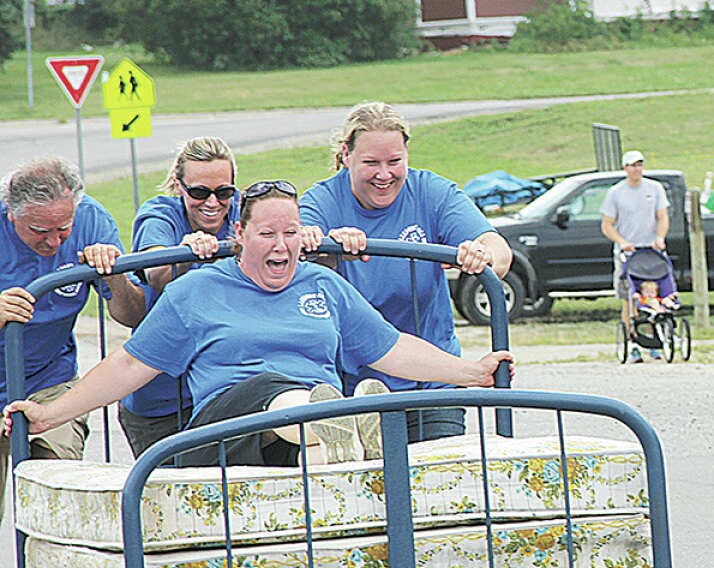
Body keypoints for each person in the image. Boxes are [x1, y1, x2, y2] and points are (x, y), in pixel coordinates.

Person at [5, 181, 515, 467]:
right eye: (267, 233)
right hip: (223, 432)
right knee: (281, 388)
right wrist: (52, 415)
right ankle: (335, 415)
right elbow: (127, 365)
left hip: (298, 437)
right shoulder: (195, 292)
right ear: (239, 234)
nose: (282, 245)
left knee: (323, 452)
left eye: (292, 232)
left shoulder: (322, 285)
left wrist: (474, 373)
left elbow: (391, 348)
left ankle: (332, 429)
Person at [300, 102, 513, 443]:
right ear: (346, 154)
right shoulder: (323, 200)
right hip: (355, 385)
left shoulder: (431, 192)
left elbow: (499, 251)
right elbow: (296, 242)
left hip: (432, 379)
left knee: (439, 483)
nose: (384, 175)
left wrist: (482, 255)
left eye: (394, 162)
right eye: (371, 163)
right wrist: (325, 244)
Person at [0, 157, 146, 496]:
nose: (54, 242)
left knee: (57, 489)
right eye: (39, 231)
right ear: (11, 212)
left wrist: (116, 276)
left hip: (50, 379)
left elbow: (131, 316)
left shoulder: (92, 219)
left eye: (63, 228)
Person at [120, 137, 242, 457]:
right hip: (162, 404)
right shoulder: (160, 214)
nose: (213, 203)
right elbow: (156, 275)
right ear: (179, 186)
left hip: (223, 392)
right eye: (199, 192)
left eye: (224, 192)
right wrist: (184, 254)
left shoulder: (243, 211)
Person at [600, 150, 669, 363]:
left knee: (651, 295)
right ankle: (632, 341)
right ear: (625, 169)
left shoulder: (655, 189)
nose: (636, 169)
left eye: (639, 165)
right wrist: (622, 242)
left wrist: (660, 237)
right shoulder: (616, 193)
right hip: (628, 252)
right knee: (629, 298)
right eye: (632, 165)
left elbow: (662, 216)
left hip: (649, 250)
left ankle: (652, 339)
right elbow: (607, 225)